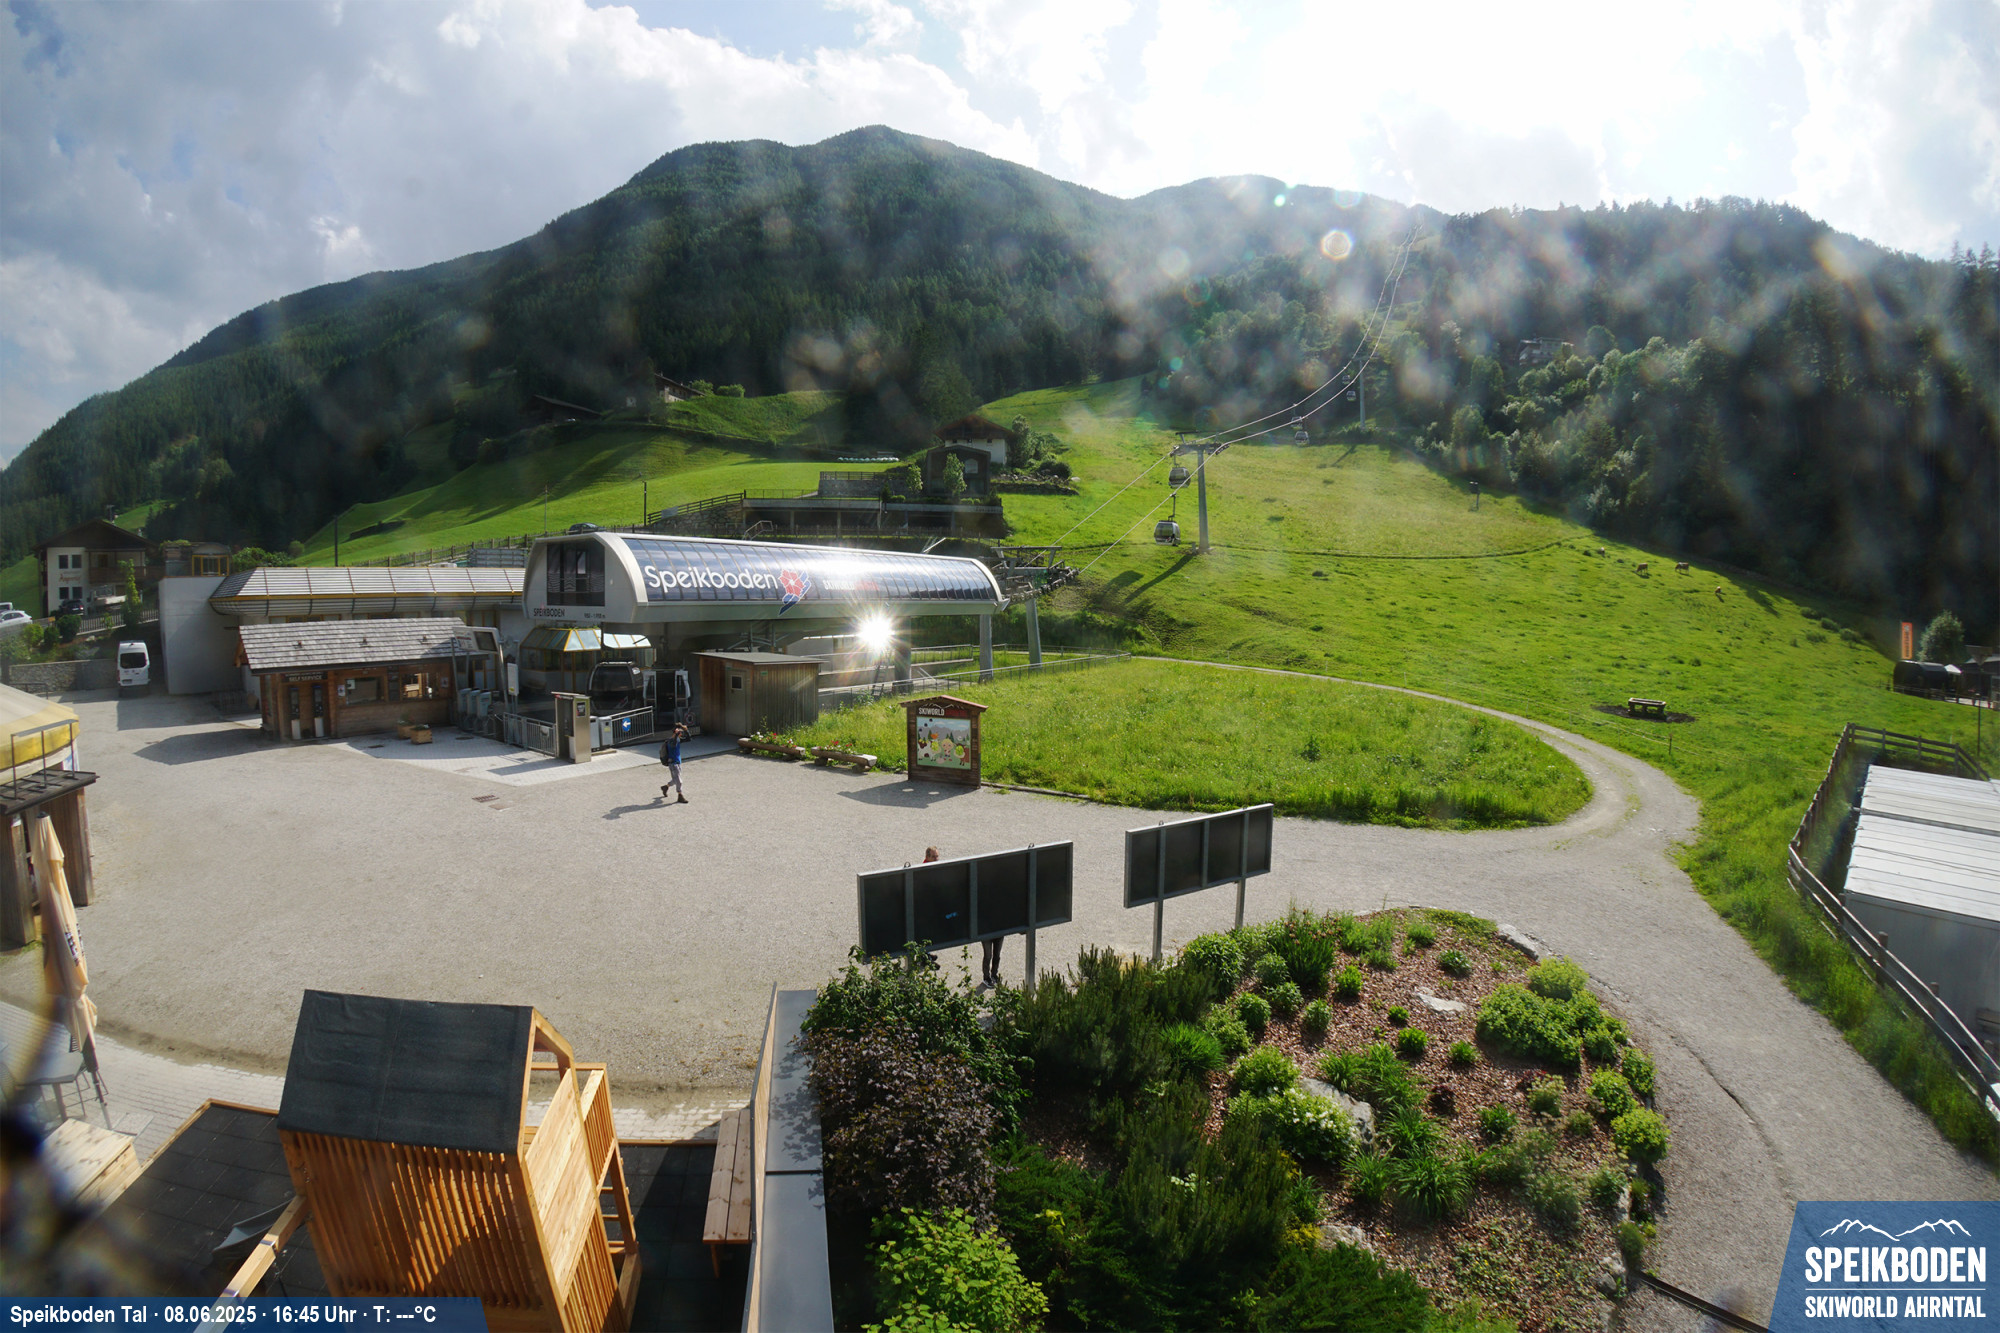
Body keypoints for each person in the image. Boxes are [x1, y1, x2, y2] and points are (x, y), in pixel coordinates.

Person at [660, 724, 687, 803]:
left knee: (676, 779)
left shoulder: (677, 739)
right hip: (673, 763)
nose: (681, 733)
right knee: (679, 780)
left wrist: (686, 730)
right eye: (680, 732)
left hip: (678, 762)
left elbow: (688, 739)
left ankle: (666, 787)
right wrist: (676, 734)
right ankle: (680, 795)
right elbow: (673, 744)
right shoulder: (671, 741)